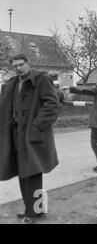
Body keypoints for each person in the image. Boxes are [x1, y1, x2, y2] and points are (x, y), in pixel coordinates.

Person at [0, 54, 59, 224]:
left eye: (21, 64)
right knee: (23, 173)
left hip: (33, 136)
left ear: (28, 64)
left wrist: (36, 126)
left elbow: (52, 104)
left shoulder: (41, 79)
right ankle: (31, 209)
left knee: (33, 174)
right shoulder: (12, 83)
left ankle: (34, 213)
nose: (18, 68)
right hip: (16, 135)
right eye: (15, 66)